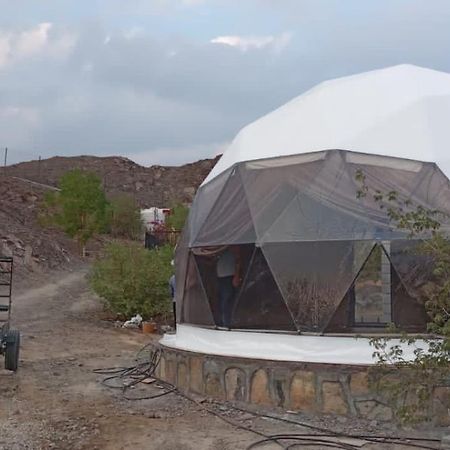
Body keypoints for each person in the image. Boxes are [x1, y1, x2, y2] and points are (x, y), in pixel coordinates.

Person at [216, 246, 241, 328]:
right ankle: (223, 322)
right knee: (222, 301)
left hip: (230, 276)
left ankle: (228, 323)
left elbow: (238, 258)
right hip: (220, 277)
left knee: (227, 301)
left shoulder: (232, 244)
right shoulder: (217, 247)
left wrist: (236, 275)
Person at [169, 263, 176, 329]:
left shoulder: (172, 278)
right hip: (184, 301)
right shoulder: (184, 277)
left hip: (175, 300)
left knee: (176, 315)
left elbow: (171, 292)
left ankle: (176, 328)